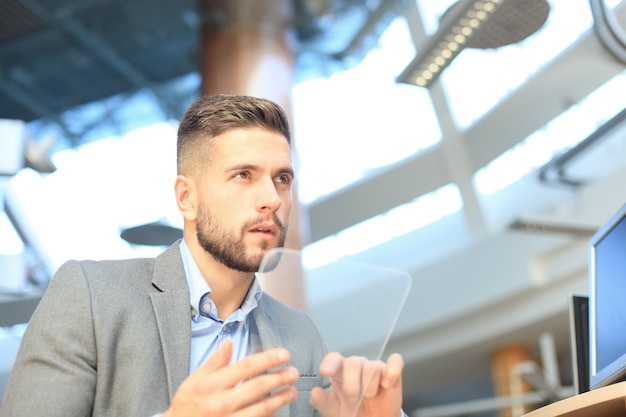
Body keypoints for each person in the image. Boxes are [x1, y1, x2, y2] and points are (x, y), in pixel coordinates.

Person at [0, 94, 406, 417]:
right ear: (187, 197)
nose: (271, 199)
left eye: (282, 179)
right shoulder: (89, 295)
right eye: (243, 175)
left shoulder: (301, 335)